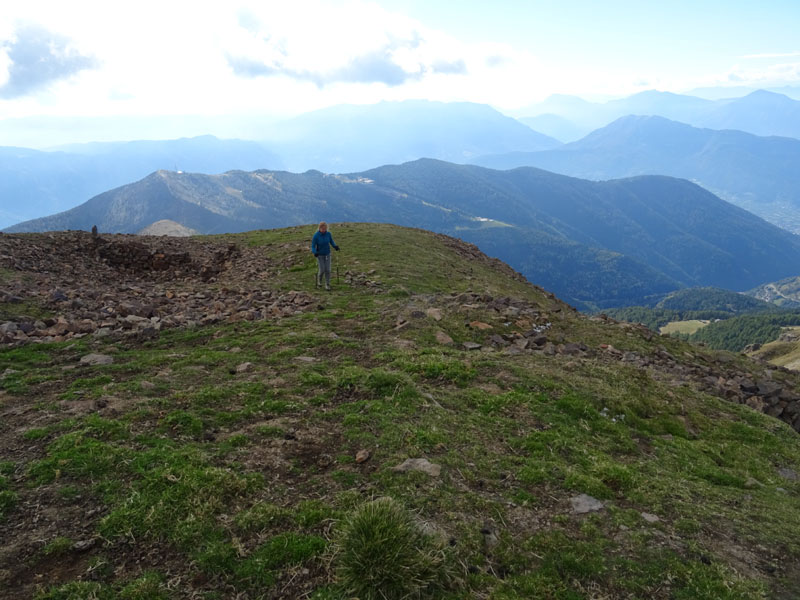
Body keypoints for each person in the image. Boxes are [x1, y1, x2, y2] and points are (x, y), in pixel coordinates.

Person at [311, 221, 340, 290]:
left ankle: (327, 284)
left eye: (325, 229)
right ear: (319, 228)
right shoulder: (316, 236)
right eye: (323, 229)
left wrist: (335, 246)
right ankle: (319, 281)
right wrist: (315, 252)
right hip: (320, 255)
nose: (324, 230)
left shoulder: (328, 234)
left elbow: (331, 241)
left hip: (327, 254)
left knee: (328, 270)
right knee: (322, 270)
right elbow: (312, 246)